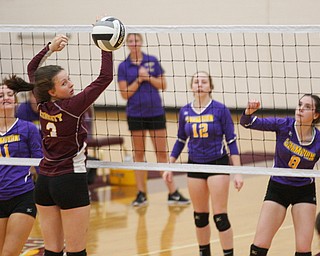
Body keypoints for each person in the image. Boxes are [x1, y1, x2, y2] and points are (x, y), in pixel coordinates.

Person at [6, 33, 113, 256]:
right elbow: (105, 78)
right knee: (76, 252)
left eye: (69, 79)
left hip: (44, 182)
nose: (72, 85)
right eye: (65, 83)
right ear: (52, 91)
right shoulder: (73, 106)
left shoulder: (42, 102)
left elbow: (32, 68)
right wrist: (106, 45)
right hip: (70, 181)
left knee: (52, 251)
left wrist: (50, 47)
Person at [163, 71, 244, 256]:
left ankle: (228, 253)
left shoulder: (220, 110)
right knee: (200, 217)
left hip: (217, 164)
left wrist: (238, 172)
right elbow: (180, 140)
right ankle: (204, 252)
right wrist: (170, 165)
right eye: (196, 81)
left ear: (210, 86)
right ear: (191, 87)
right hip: (195, 165)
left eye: (204, 81)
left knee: (220, 217)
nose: (199, 84)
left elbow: (231, 141)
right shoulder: (184, 111)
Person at [240, 95, 320, 256]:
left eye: (306, 107)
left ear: (316, 114)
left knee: (304, 250)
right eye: (299, 104)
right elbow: (247, 122)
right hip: (278, 188)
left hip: (304, 190)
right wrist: (248, 111)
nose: (300, 109)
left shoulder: (318, 140)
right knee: (259, 247)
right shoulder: (284, 125)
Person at [117, 33, 190, 207]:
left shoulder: (152, 60)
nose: (134, 44)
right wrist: (139, 79)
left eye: (137, 41)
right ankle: (141, 193)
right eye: (131, 41)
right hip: (135, 114)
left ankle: (172, 193)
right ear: (127, 44)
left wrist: (148, 77)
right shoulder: (123, 66)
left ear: (141, 43)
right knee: (139, 154)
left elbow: (163, 85)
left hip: (155, 112)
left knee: (162, 153)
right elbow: (125, 94)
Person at [0, 79, 42, 256]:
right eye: (1, 95)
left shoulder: (28, 129)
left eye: (10, 95)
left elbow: (40, 163)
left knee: (9, 254)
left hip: (22, 195)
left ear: (15, 101)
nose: (6, 98)